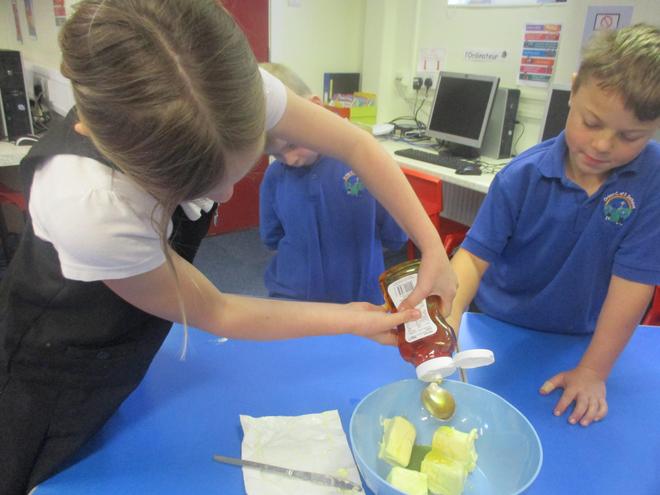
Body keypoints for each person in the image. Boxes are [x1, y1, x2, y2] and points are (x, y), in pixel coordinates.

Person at [0, 1, 457, 492]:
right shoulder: (90, 205)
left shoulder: (221, 87)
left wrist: (432, 247)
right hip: (58, 362)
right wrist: (352, 319)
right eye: (199, 185)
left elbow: (356, 144)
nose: (222, 198)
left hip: (138, 334)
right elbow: (216, 311)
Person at [446, 23, 660, 428]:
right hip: (498, 326)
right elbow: (472, 260)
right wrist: (450, 319)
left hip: (582, 338)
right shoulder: (521, 176)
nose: (602, 145)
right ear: (574, 90)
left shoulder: (653, 180)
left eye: (630, 136)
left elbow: (634, 284)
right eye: (591, 122)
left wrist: (593, 370)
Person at [258, 63, 408, 304]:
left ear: (315, 108)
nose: (290, 160)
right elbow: (272, 237)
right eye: (276, 154)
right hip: (292, 299)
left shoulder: (363, 167)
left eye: (292, 144)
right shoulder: (274, 176)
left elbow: (395, 234)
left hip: (358, 299)